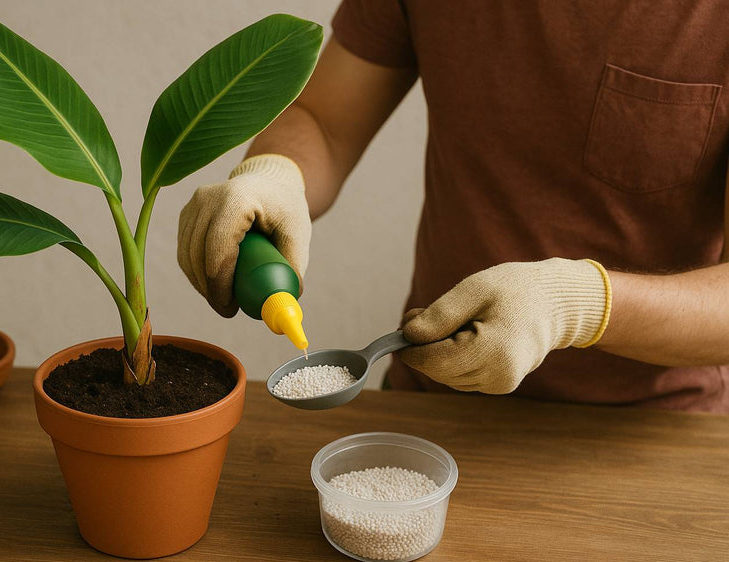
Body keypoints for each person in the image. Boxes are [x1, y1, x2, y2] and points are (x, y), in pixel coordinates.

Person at [177, 1, 729, 413]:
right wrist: (275, 174)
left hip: (652, 435)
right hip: (431, 403)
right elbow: (325, 123)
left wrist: (579, 304)